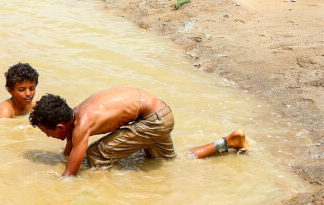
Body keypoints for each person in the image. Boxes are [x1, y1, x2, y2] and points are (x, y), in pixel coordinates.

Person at [29, 87, 249, 177]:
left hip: (152, 121)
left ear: (60, 127)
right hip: (160, 114)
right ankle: (229, 142)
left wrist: (60, 186)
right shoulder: (75, 114)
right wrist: (65, 156)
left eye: (48, 134)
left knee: (95, 155)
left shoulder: (81, 124)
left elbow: (71, 173)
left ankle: (111, 192)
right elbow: (71, 143)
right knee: (168, 162)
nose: (50, 137)